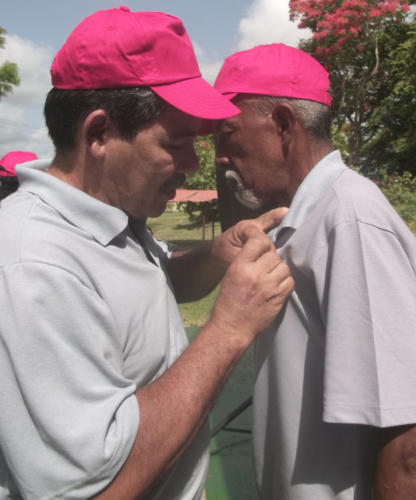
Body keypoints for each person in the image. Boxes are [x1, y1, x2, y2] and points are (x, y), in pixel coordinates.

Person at [0, 11, 294, 500]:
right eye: (175, 143)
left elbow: (157, 285)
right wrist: (228, 331)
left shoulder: (114, 216)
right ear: (98, 135)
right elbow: (99, 490)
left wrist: (217, 256)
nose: (194, 164)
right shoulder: (33, 264)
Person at [214, 43, 416, 499]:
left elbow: (405, 441)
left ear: (283, 125)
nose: (220, 156)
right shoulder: (305, 217)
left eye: (227, 134)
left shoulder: (349, 219)